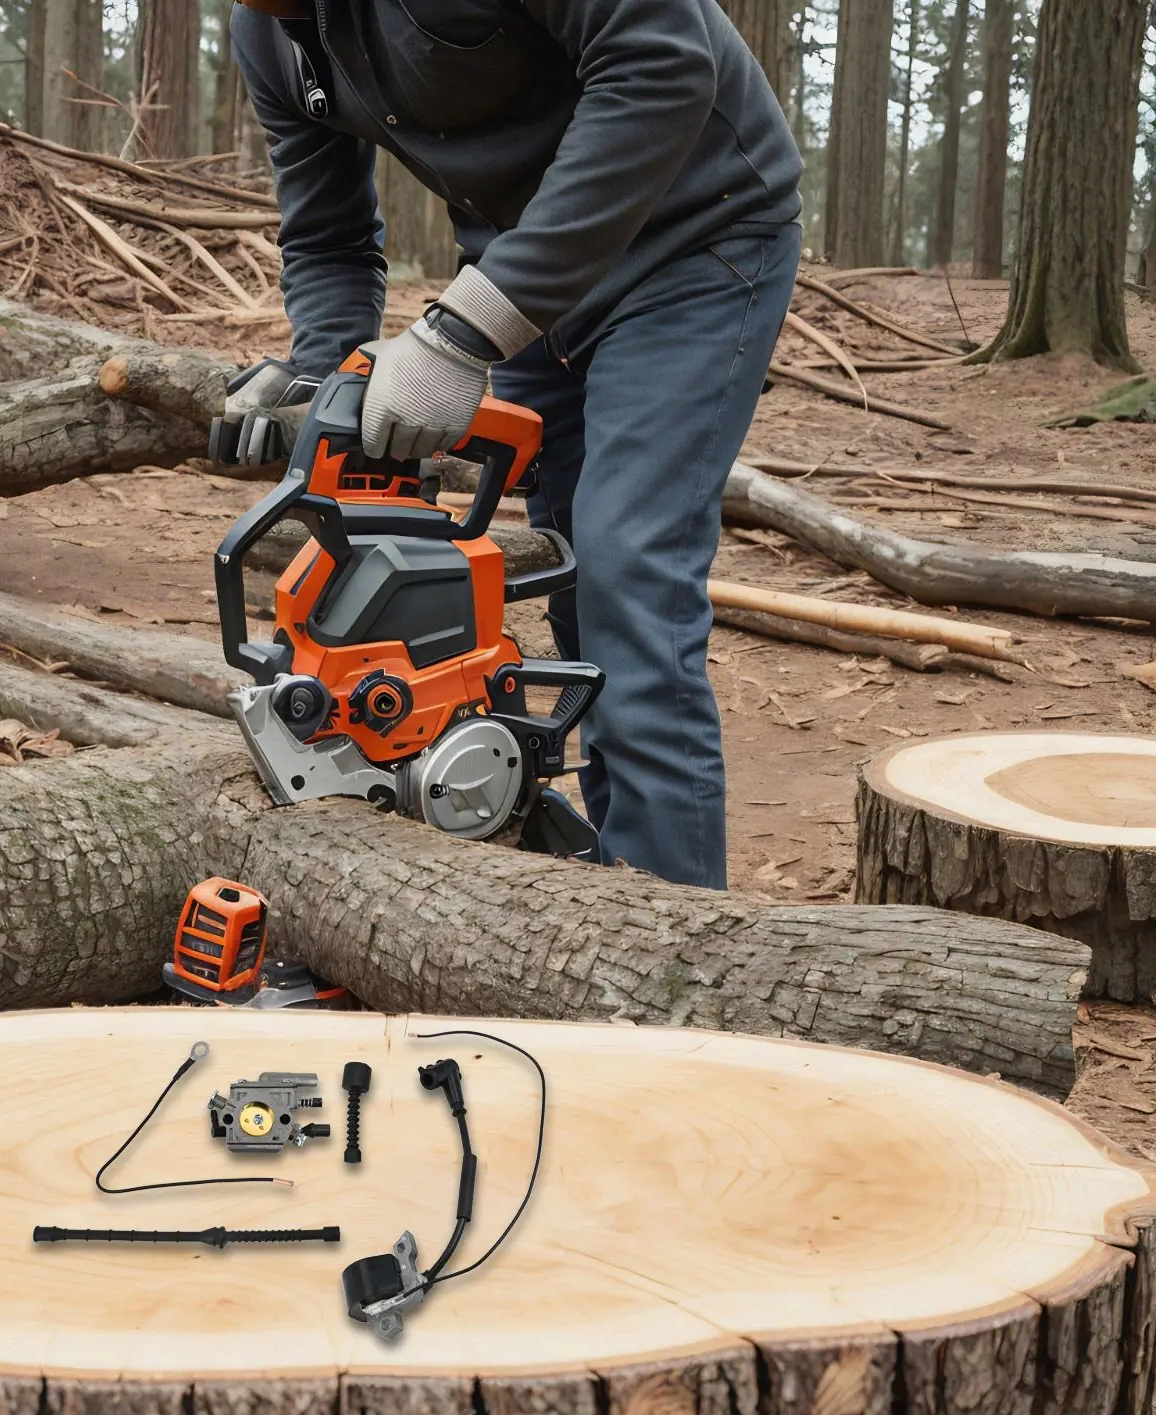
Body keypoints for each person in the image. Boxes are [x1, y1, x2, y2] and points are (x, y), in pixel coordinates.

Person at [219, 0, 803, 889]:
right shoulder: (271, 35)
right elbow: (328, 235)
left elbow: (663, 64)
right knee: (572, 579)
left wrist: (463, 334)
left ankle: (674, 945)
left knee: (628, 570)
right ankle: (603, 885)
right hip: (533, 277)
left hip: (695, 239)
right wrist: (316, 376)